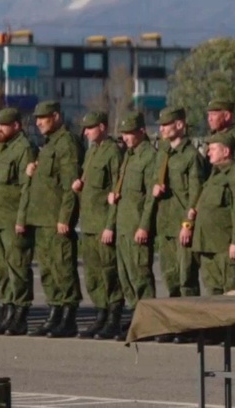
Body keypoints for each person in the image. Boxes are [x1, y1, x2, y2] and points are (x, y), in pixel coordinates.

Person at [18, 100, 83, 338]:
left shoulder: (66, 143)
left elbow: (70, 186)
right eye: (36, 118)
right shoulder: (49, 144)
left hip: (57, 219)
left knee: (63, 267)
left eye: (42, 118)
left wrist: (65, 217)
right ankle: (55, 312)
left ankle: (67, 317)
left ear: (55, 116)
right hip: (42, 219)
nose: (38, 122)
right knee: (48, 270)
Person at [0, 108, 36, 336]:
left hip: (12, 219)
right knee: (1, 269)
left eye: (4, 125)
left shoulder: (23, 148)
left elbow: (26, 188)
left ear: (16, 125)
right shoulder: (0, 149)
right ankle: (6, 311)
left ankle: (20, 314)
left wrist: (22, 218)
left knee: (18, 267)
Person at [108, 112, 159, 340]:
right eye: (123, 134)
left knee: (140, 275)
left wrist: (144, 226)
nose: (126, 138)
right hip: (123, 225)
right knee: (125, 274)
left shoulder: (149, 156)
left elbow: (150, 196)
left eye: (130, 133)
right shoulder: (128, 156)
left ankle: (148, 322)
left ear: (141, 131)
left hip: (137, 225)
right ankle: (135, 316)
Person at [74, 112, 125, 340]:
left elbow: (116, 190)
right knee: (93, 274)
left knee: (109, 272)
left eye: (90, 128)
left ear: (102, 127)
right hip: (89, 223)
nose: (85, 132)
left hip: (103, 222)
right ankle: (101, 314)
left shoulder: (112, 152)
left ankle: (113, 317)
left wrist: (110, 225)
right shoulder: (92, 151)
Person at [152, 107, 205, 312]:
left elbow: (196, 194)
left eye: (166, 124)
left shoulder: (191, 156)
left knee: (186, 278)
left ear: (180, 125)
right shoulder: (164, 154)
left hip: (182, 225)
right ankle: (177, 321)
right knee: (170, 276)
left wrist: (188, 224)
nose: (162, 129)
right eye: (161, 125)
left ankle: (191, 322)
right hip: (165, 224)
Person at [191, 134, 235, 295]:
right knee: (213, 294)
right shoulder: (215, 174)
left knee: (233, 294)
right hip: (208, 246)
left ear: (226, 151)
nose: (208, 152)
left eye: (213, 149)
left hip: (225, 247)